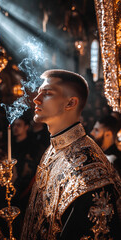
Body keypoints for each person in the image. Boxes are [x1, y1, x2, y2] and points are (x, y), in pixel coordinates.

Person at [21, 69, 121, 240]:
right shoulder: (54, 149)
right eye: (38, 93)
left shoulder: (88, 176)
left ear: (70, 103)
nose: (36, 99)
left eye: (47, 94)